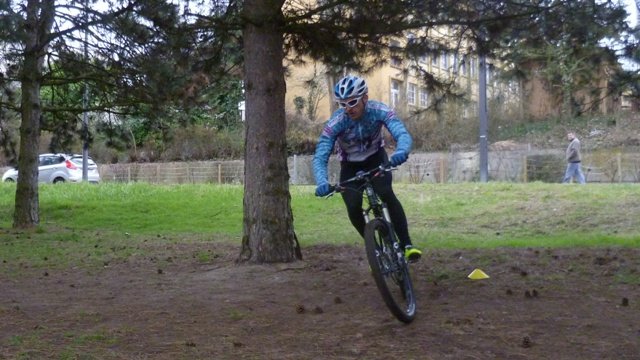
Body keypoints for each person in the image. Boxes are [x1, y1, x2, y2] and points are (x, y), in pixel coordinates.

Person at [312, 75, 422, 261]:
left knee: (385, 192)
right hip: (350, 166)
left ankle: (407, 244)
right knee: (353, 206)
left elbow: (400, 131)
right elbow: (321, 155)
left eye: (353, 102)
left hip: (375, 159)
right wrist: (321, 181)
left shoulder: (379, 110)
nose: (348, 108)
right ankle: (375, 250)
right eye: (342, 104)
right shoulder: (337, 122)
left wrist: (401, 151)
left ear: (365, 98)